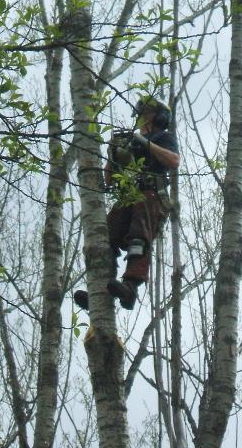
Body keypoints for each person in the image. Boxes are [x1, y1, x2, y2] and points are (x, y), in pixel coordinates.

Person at [74, 96, 180, 310]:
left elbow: (173, 161)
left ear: (158, 117)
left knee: (138, 238)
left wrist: (146, 144)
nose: (143, 117)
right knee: (106, 238)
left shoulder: (163, 138)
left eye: (147, 113)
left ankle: (130, 288)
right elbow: (109, 180)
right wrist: (113, 154)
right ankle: (101, 292)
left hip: (151, 195)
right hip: (128, 195)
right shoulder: (130, 142)